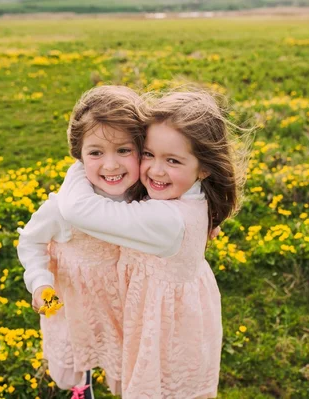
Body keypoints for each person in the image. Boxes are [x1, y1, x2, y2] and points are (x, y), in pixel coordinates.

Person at [56, 90, 248, 398]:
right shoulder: (187, 193)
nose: (155, 170)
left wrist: (84, 160)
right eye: (148, 154)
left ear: (204, 167)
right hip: (161, 313)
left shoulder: (167, 221)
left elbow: (76, 209)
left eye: (172, 160)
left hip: (166, 330)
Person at [18, 85, 176, 397]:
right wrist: (39, 282)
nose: (111, 165)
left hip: (127, 306)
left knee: (125, 361)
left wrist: (209, 220)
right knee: (83, 352)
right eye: (95, 153)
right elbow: (31, 241)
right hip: (79, 303)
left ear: (142, 149)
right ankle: (83, 387)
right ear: (78, 155)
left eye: (124, 150)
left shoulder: (147, 194)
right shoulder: (64, 208)